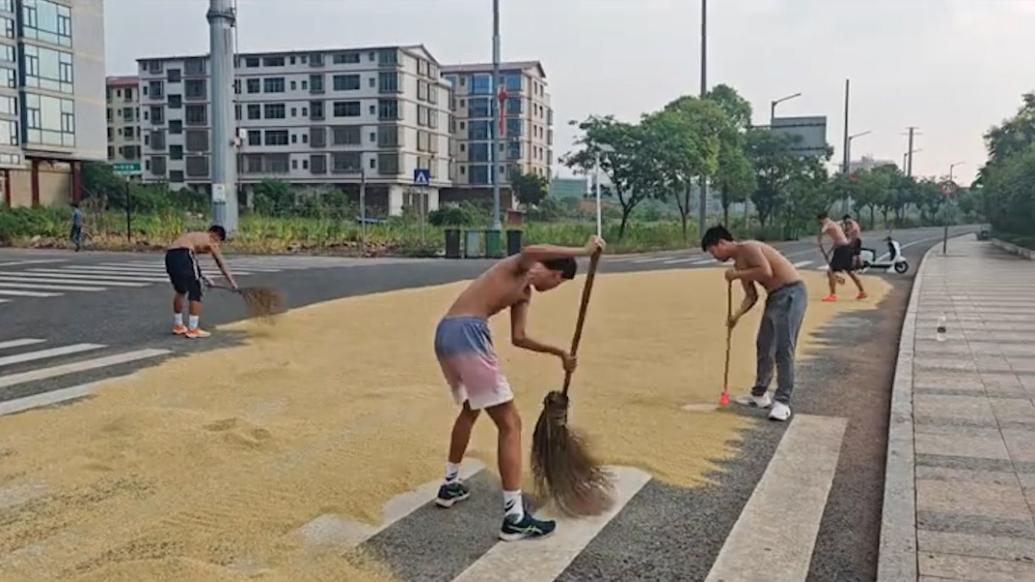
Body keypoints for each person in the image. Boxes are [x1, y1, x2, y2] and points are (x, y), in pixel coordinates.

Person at [434, 234, 605, 541]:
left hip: (447, 333)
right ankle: (514, 517)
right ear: (554, 273)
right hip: (467, 332)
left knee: (471, 409)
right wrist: (583, 250)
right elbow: (530, 249)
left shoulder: (523, 293)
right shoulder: (520, 266)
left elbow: (520, 337)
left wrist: (560, 353)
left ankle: (450, 484)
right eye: (559, 282)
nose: (554, 288)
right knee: (511, 423)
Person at [701, 225, 806, 422]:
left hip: (791, 293)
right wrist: (736, 316)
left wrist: (737, 275)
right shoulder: (739, 264)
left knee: (783, 349)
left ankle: (782, 402)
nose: (714, 256)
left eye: (713, 251)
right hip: (774, 297)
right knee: (764, 344)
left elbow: (765, 272)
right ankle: (759, 393)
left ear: (722, 243)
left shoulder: (748, 248)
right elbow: (751, 296)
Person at [165, 226, 238, 339]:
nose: (217, 244)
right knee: (196, 291)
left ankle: (178, 326)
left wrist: (202, 276)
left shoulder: (193, 236)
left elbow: (190, 266)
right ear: (215, 235)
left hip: (170, 255)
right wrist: (232, 283)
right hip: (184, 254)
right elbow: (221, 263)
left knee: (180, 290)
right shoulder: (210, 239)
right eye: (218, 241)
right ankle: (193, 329)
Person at [818, 212, 866, 302]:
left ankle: (833, 295)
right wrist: (829, 252)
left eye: (820, 222)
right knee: (849, 271)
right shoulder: (835, 225)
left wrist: (819, 239)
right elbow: (838, 241)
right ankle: (862, 291)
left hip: (842, 249)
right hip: (845, 248)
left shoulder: (827, 223)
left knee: (830, 271)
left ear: (822, 219)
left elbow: (823, 230)